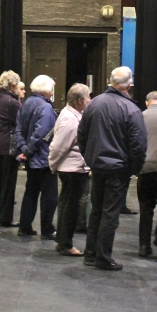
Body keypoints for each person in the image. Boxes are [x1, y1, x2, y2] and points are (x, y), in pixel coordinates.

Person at [77, 66, 147, 271]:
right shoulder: (131, 109)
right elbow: (138, 145)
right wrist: (133, 168)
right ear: (128, 85)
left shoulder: (94, 104)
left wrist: (90, 157)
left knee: (97, 210)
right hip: (118, 169)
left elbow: (82, 135)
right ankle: (103, 257)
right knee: (110, 213)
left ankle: (90, 254)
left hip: (98, 166)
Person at [49, 83, 91, 256]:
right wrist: (52, 164)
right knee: (71, 208)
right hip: (72, 169)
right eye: (88, 97)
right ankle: (66, 244)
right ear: (80, 101)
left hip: (72, 167)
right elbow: (58, 146)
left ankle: (62, 241)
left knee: (67, 205)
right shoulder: (70, 119)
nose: (90, 100)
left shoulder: (72, 115)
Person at [15, 75, 58, 239]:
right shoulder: (46, 108)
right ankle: (47, 229)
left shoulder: (25, 104)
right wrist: (29, 151)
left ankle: (25, 226)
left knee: (30, 193)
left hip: (31, 158)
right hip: (43, 159)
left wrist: (24, 149)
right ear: (47, 89)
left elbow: (18, 129)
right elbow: (41, 134)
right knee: (50, 196)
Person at [137, 92, 157, 258]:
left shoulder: (140, 116)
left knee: (145, 208)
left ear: (147, 102)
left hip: (144, 169)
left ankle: (144, 246)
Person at [0, 70, 22, 227]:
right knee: (8, 185)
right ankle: (4, 218)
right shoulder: (12, 102)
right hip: (7, 147)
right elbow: (19, 122)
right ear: (12, 85)